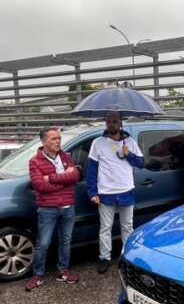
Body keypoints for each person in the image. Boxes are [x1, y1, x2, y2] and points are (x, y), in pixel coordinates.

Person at [87, 111, 144, 273]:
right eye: (108, 121)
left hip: (126, 190)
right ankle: (104, 257)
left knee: (127, 226)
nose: (111, 124)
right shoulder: (97, 143)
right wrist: (92, 192)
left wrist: (129, 154)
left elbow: (141, 163)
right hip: (106, 193)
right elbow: (91, 169)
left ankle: (127, 256)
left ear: (120, 122)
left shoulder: (130, 142)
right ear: (106, 123)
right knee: (105, 227)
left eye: (114, 121)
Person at [26, 127, 80, 291]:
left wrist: (51, 178)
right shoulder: (35, 161)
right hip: (48, 209)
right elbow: (39, 185)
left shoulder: (66, 157)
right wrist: (65, 182)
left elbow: (75, 176)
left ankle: (63, 271)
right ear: (43, 142)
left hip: (68, 207)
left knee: (66, 241)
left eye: (59, 138)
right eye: (53, 139)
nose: (58, 141)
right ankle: (38, 274)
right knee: (43, 243)